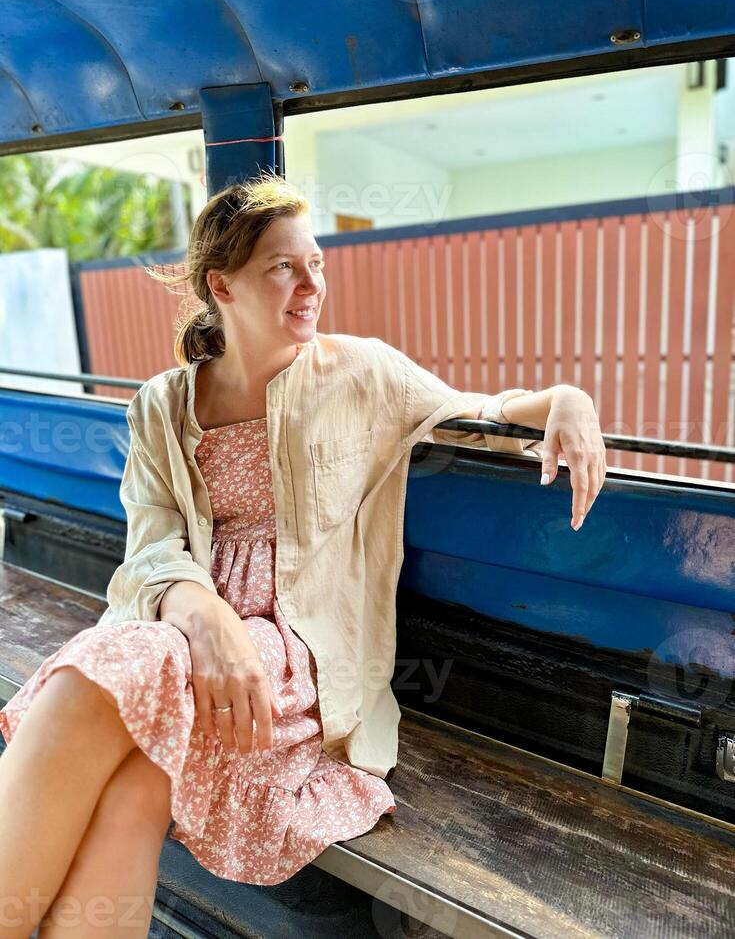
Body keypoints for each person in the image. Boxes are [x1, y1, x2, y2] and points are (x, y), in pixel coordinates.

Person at [0, 174, 606, 937]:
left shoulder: (363, 373)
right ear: (221, 285)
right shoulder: (162, 403)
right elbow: (151, 544)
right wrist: (207, 619)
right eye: (283, 267)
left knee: (92, 679)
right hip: (187, 638)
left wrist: (566, 402)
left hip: (295, 657)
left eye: (314, 263)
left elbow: (476, 413)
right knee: (134, 787)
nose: (311, 284)